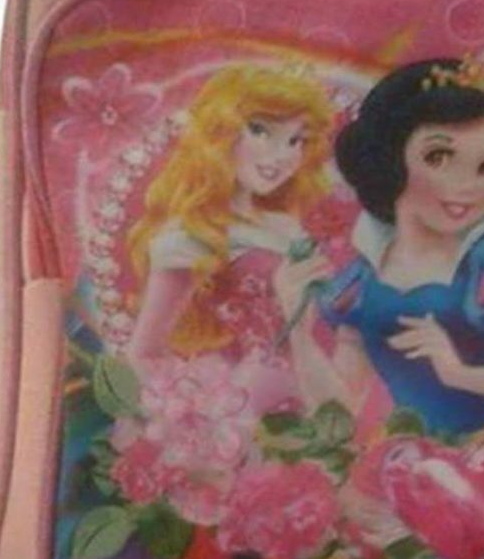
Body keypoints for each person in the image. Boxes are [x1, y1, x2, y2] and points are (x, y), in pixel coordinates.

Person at [278, 54, 484, 438]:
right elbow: (340, 410)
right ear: (391, 159)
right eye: (439, 157)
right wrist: (298, 330)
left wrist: (459, 374)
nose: (466, 185)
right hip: (399, 456)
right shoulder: (364, 277)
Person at [126, 62, 335, 414]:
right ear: (220, 131)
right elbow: (144, 354)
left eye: (295, 140)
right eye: (260, 130)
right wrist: (198, 417)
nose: (281, 155)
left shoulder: (286, 226)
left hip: (311, 396)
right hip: (238, 411)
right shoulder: (190, 234)